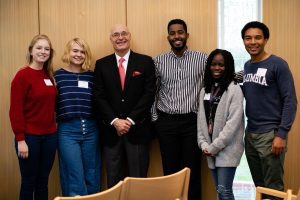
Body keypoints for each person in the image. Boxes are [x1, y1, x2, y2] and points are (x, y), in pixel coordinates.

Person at [93, 24, 156, 188]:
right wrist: (115, 121)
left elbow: (149, 94)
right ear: (111, 39)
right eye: (115, 35)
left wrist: (129, 120)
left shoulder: (145, 62)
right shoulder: (101, 64)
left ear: (130, 36)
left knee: (138, 180)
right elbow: (98, 96)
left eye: (123, 34)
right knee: (114, 180)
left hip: (138, 129)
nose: (120, 37)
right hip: (111, 131)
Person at [152, 19, 207, 200]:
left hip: (192, 122)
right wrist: (155, 120)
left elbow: (220, 75)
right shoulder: (158, 61)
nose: (177, 36)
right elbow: (153, 91)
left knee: (192, 170)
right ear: (168, 36)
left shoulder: (202, 59)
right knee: (170, 171)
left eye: (180, 32)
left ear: (187, 35)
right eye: (173, 33)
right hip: (166, 122)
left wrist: (243, 74)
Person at [241, 21, 297, 197]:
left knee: (273, 189)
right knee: (260, 187)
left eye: (258, 37)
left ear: (265, 39)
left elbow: (290, 100)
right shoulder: (247, 66)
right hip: (251, 134)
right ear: (243, 41)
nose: (253, 42)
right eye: (248, 38)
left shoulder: (277, 64)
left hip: (270, 135)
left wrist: (281, 134)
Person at [9, 34, 57, 200]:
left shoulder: (48, 76)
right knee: (29, 182)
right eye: (39, 48)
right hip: (29, 138)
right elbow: (15, 111)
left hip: (50, 136)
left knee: (43, 181)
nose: (43, 52)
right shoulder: (22, 76)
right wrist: (20, 139)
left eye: (47, 49)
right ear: (31, 51)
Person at [54, 38, 100, 196]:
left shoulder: (93, 77)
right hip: (67, 131)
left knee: (92, 173)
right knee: (73, 174)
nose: (79, 54)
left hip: (92, 130)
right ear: (68, 52)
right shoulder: (57, 76)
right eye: (75, 51)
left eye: (82, 51)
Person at [197, 49, 244, 200]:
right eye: (214, 64)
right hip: (209, 149)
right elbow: (201, 120)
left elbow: (233, 123)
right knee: (220, 191)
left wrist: (214, 146)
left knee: (225, 191)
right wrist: (203, 144)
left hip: (227, 149)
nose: (217, 68)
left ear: (228, 66)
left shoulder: (234, 89)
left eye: (221, 65)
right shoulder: (205, 89)